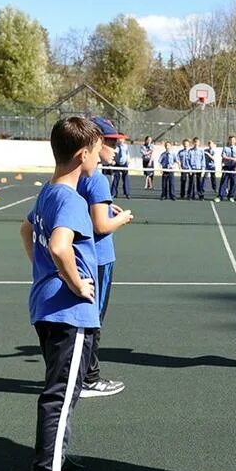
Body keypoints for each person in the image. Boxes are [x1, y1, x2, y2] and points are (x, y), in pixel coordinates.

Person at [20, 116, 102, 471]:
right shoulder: (71, 199)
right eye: (98, 151)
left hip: (46, 306)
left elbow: (26, 232)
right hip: (68, 313)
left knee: (64, 392)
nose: (101, 158)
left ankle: (56, 459)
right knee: (61, 394)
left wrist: (44, 274)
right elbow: (58, 246)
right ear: (83, 154)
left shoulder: (48, 192)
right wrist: (74, 282)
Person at [77, 117, 134, 397]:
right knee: (93, 319)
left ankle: (79, 376)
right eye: (110, 142)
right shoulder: (97, 179)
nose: (115, 147)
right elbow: (100, 226)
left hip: (82, 258)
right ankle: (89, 378)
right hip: (98, 259)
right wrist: (122, 219)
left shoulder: (74, 175)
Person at [219, 135, 236, 201]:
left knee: (233, 182)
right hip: (226, 166)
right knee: (224, 181)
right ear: (229, 140)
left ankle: (231, 196)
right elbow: (223, 156)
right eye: (230, 140)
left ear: (235, 141)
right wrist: (232, 158)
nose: (231, 141)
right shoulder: (225, 148)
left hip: (233, 167)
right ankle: (221, 196)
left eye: (233, 140)